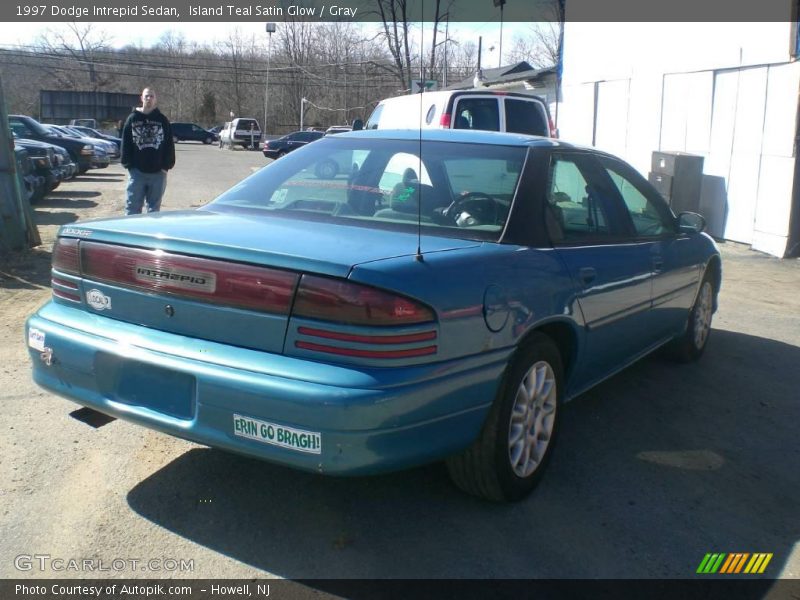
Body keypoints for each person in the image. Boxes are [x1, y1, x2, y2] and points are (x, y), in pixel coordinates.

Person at [120, 87, 175, 215]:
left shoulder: (162, 120)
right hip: (137, 172)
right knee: (132, 208)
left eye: (151, 96)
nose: (149, 99)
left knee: (154, 211)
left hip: (158, 174)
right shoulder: (132, 119)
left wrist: (166, 166)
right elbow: (125, 143)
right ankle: (131, 234)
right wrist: (128, 165)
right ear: (142, 98)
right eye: (146, 96)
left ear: (155, 99)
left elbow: (169, 144)